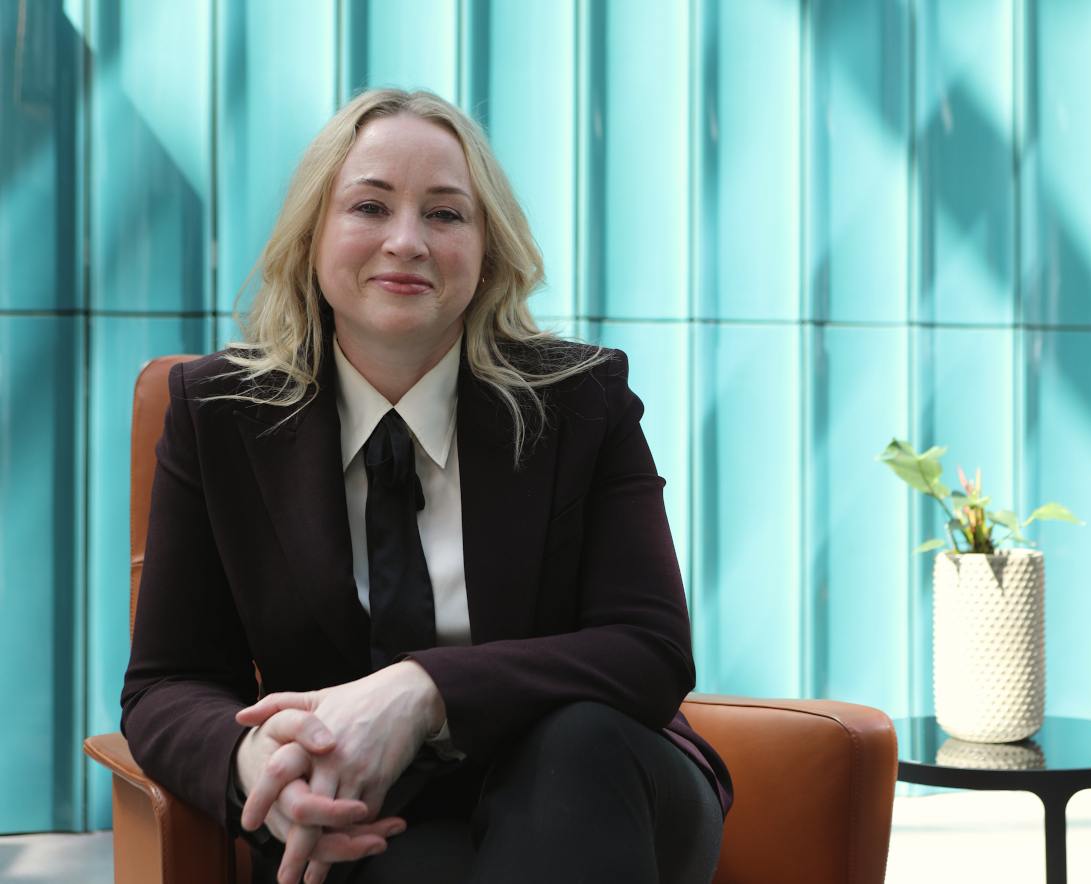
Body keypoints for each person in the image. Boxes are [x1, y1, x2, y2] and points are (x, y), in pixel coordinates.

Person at [120, 88, 731, 884]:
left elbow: (649, 650)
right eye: (369, 206)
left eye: (445, 215)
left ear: (487, 252)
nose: (406, 241)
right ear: (312, 237)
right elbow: (168, 681)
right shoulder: (220, 415)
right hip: (370, 811)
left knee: (577, 743)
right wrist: (253, 759)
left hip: (605, 788)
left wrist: (421, 692)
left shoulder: (582, 401)